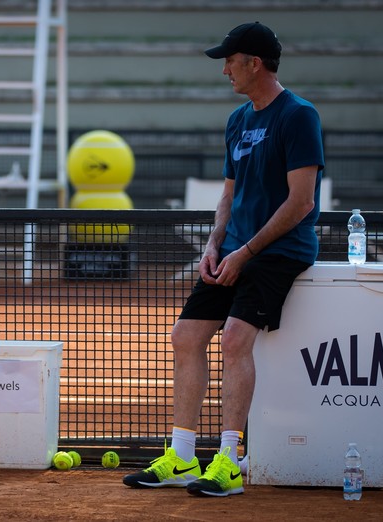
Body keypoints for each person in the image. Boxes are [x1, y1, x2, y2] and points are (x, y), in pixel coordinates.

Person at [122, 22, 324, 497]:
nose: (225, 70)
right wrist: (214, 245)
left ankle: (230, 463)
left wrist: (246, 250)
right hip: (233, 250)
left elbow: (301, 202)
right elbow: (228, 196)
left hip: (279, 251)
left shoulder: (298, 116)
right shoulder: (238, 120)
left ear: (255, 63)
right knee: (185, 336)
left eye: (231, 61)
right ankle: (182, 456)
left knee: (234, 340)